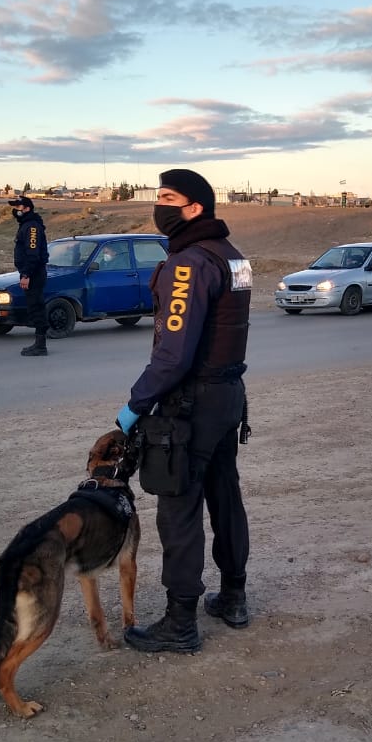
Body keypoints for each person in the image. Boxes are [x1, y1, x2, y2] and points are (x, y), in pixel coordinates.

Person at [115, 169, 253, 653]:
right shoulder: (232, 257)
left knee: (178, 507)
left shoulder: (189, 264)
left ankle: (180, 622)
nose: (159, 205)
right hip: (228, 395)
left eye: (169, 198)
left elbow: (173, 354)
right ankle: (233, 597)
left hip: (191, 404)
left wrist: (134, 405)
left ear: (194, 208)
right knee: (225, 495)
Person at [9, 196, 49, 356]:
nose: (16, 210)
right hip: (31, 272)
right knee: (34, 306)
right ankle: (39, 343)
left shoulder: (32, 227)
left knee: (36, 306)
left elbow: (32, 254)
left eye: (18, 207)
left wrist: (26, 274)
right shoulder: (26, 225)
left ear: (27, 209)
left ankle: (40, 345)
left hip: (34, 273)